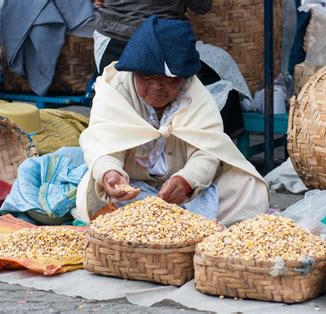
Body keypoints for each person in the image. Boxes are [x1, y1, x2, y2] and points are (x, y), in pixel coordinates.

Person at [75, 16, 269, 226]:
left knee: (248, 187)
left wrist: (186, 181)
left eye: (169, 78)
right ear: (133, 71)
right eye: (148, 76)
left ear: (184, 78)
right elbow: (103, 144)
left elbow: (207, 152)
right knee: (90, 193)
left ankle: (170, 226)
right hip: (132, 190)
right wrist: (110, 173)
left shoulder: (196, 95)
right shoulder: (114, 89)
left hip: (186, 198)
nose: (158, 85)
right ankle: (164, 226)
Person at [93, 0, 212, 74]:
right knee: (165, 105)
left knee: (113, 101)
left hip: (113, 32)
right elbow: (201, 6)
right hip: (160, 36)